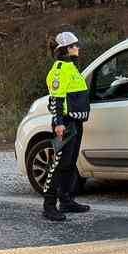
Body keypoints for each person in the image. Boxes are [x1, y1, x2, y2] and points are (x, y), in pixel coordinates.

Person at [43, 29, 93, 222]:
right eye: (73, 45)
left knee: (70, 164)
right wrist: (58, 123)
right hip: (64, 124)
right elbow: (56, 98)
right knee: (57, 164)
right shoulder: (58, 70)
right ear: (64, 49)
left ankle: (66, 200)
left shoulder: (71, 67)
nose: (77, 48)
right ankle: (49, 206)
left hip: (75, 122)